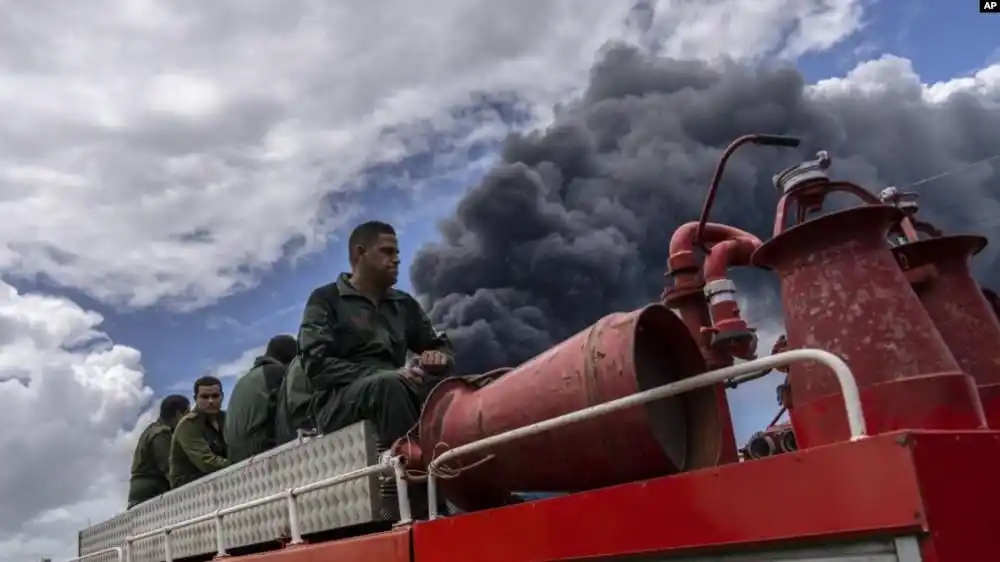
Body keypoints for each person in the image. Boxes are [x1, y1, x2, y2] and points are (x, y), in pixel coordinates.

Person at [299, 220, 453, 447]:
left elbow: (438, 345)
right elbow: (316, 364)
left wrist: (439, 357)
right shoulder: (326, 299)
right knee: (390, 385)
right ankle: (409, 462)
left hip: (397, 387)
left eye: (397, 253)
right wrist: (388, 373)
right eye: (387, 252)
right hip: (338, 403)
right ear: (360, 254)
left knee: (451, 389)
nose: (396, 259)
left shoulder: (403, 304)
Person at [225, 334, 298, 462]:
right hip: (260, 451)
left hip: (235, 455)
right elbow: (287, 414)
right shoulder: (276, 373)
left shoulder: (244, 379)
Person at [127, 394, 190, 508]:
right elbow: (172, 471)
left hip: (145, 494)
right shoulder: (161, 434)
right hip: (150, 496)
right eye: (187, 414)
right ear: (178, 414)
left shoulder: (153, 430)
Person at [169, 375, 231, 488]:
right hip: (189, 488)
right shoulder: (189, 424)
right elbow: (207, 463)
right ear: (195, 398)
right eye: (205, 397)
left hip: (220, 480)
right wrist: (238, 462)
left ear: (222, 396)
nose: (211, 401)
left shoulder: (226, 418)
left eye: (215, 396)